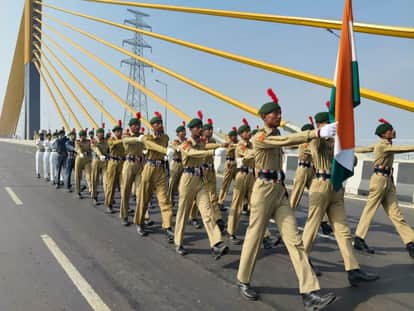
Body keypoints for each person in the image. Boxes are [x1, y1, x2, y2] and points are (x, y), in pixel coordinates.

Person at [237, 89, 336, 310]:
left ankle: (309, 292)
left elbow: (290, 142)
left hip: (279, 191)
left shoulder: (277, 134)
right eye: (275, 113)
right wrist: (314, 133)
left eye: (280, 112)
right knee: (254, 237)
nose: (279, 115)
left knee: (295, 240)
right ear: (264, 117)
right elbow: (288, 140)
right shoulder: (260, 137)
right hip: (262, 191)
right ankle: (243, 280)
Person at [301, 111, 379, 286]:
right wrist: (323, 133)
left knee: (343, 230)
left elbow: (355, 161)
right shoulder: (316, 141)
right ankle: (303, 262)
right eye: (328, 124)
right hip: (320, 185)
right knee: (312, 226)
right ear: (320, 125)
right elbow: (316, 144)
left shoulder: (337, 143)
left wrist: (343, 146)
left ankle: (353, 269)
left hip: (336, 188)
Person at [353, 118, 414, 258]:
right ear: (383, 134)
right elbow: (399, 149)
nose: (393, 132)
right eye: (389, 130)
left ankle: (410, 242)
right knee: (370, 210)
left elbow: (365, 148)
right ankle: (359, 238)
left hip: (388, 181)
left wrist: (352, 148)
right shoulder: (382, 145)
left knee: (396, 214)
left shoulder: (383, 144)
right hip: (379, 180)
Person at [174, 113, 229, 259]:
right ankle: (178, 242)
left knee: (207, 211)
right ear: (191, 130)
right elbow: (193, 153)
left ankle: (216, 244)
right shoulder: (186, 143)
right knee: (183, 212)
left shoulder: (202, 143)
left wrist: (221, 145)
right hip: (187, 180)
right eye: (196, 128)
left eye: (200, 127)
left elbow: (208, 145)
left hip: (199, 179)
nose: (200, 129)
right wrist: (212, 151)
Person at [133, 112, 174, 242]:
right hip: (149, 169)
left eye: (160, 123)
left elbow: (166, 144)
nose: (159, 125)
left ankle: (167, 227)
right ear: (152, 126)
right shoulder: (147, 137)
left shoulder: (166, 138)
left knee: (164, 200)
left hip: (160, 170)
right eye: (156, 124)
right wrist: (165, 151)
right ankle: (139, 222)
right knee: (144, 198)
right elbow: (152, 146)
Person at [290, 121, 333, 235]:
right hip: (303, 170)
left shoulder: (314, 142)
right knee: (296, 195)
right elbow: (311, 151)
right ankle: (288, 219)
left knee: (317, 194)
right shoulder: (304, 143)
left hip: (312, 170)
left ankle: (323, 223)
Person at [227, 119, 254, 245]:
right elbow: (248, 154)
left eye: (249, 131)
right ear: (241, 134)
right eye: (247, 132)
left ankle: (264, 235)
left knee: (256, 204)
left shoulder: (252, 145)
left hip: (251, 175)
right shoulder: (240, 145)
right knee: (237, 204)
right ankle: (231, 231)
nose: (249, 133)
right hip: (241, 175)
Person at [119, 113, 145, 226]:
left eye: (138, 124)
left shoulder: (142, 136)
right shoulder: (126, 136)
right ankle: (124, 215)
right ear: (130, 126)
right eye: (134, 125)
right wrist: (138, 139)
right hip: (129, 164)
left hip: (139, 165)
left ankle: (141, 218)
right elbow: (127, 141)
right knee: (126, 191)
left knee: (140, 192)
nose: (136, 126)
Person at [105, 121, 125, 213]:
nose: (119, 133)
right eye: (117, 131)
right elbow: (112, 145)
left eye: (120, 131)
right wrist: (122, 140)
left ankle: (124, 206)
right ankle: (109, 204)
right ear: (114, 132)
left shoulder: (123, 140)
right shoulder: (111, 139)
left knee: (123, 185)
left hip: (122, 163)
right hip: (113, 163)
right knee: (111, 185)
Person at [217, 127, 238, 211]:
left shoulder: (237, 142)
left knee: (240, 184)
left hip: (236, 164)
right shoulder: (228, 143)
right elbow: (231, 147)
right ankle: (220, 202)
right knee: (226, 184)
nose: (235, 137)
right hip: (229, 164)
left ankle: (243, 203)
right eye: (234, 136)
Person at [167, 121, 186, 210]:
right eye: (181, 131)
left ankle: (182, 205)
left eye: (184, 131)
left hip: (183, 164)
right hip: (175, 164)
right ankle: (170, 203)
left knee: (183, 185)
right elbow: (175, 147)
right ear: (177, 134)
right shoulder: (175, 142)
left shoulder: (187, 141)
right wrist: (180, 147)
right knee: (172, 184)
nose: (183, 133)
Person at [91, 124, 109, 205]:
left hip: (105, 162)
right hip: (97, 161)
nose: (101, 134)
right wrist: (100, 155)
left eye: (102, 132)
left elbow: (109, 149)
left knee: (106, 180)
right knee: (95, 179)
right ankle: (94, 197)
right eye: (100, 133)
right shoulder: (94, 141)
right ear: (97, 134)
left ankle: (108, 197)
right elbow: (95, 148)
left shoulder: (106, 141)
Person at [74, 129, 92, 199]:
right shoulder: (77, 141)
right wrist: (80, 153)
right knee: (78, 175)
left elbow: (92, 147)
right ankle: (78, 192)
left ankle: (91, 190)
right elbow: (78, 148)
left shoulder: (88, 141)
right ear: (80, 136)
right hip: (79, 159)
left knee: (89, 175)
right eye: (81, 136)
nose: (83, 137)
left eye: (84, 136)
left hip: (87, 159)